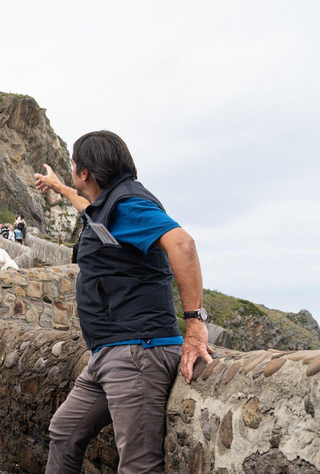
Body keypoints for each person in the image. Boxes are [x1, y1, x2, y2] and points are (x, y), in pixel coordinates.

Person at [34, 130, 212, 474]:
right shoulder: (111, 205)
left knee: (138, 465)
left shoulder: (129, 204)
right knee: (64, 432)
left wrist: (194, 325)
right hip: (110, 351)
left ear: (84, 171)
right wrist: (58, 187)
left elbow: (183, 244)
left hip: (137, 352)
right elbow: (90, 209)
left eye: (73, 168)